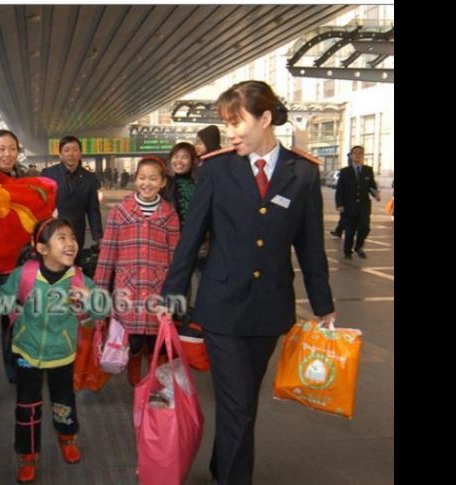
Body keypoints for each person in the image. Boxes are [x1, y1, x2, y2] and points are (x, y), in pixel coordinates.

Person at [159, 80, 336, 485]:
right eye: (226, 124)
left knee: (243, 404)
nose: (231, 133)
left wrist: (324, 305)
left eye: (237, 122)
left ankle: (223, 466)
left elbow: (310, 247)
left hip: (270, 310)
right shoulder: (217, 169)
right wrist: (173, 293)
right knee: (238, 405)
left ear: (266, 119)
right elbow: (191, 238)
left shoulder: (303, 173)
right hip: (221, 308)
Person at [0, 218, 107, 483]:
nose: (70, 242)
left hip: (63, 353)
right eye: (61, 238)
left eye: (72, 237)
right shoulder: (24, 275)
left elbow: (103, 309)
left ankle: (67, 438)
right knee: (27, 406)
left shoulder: (79, 279)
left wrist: (89, 299)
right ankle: (27, 455)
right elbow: (3, 301)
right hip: (26, 352)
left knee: (64, 401)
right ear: (42, 248)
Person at [0, 130, 53, 403]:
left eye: (11, 149)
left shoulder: (24, 183)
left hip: (17, 266)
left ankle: (14, 372)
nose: (6, 154)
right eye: (1, 149)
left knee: (14, 323)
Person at [94, 157, 181, 386]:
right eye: (142, 178)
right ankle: (135, 371)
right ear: (135, 180)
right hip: (127, 291)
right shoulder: (120, 212)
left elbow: (176, 259)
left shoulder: (169, 215)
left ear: (163, 183)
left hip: (157, 291)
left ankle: (154, 378)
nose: (147, 183)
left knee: (155, 341)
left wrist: (174, 296)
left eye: (153, 179)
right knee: (132, 339)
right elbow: (107, 256)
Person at [41, 135, 104, 265]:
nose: (71, 153)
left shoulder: (89, 178)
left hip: (76, 232)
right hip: (52, 231)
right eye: (67, 150)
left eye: (75, 149)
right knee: (52, 266)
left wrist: (98, 237)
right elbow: (40, 204)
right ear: (60, 154)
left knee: (73, 266)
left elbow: (93, 209)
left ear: (80, 153)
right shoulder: (48, 174)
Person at [335, 145, 380, 259]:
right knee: (349, 232)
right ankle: (347, 252)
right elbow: (339, 190)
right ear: (351, 155)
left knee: (365, 228)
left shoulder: (368, 170)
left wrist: (376, 194)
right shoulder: (345, 171)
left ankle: (358, 247)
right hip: (348, 206)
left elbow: (372, 186)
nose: (358, 155)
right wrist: (339, 204)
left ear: (363, 155)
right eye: (355, 153)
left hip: (363, 206)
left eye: (360, 153)